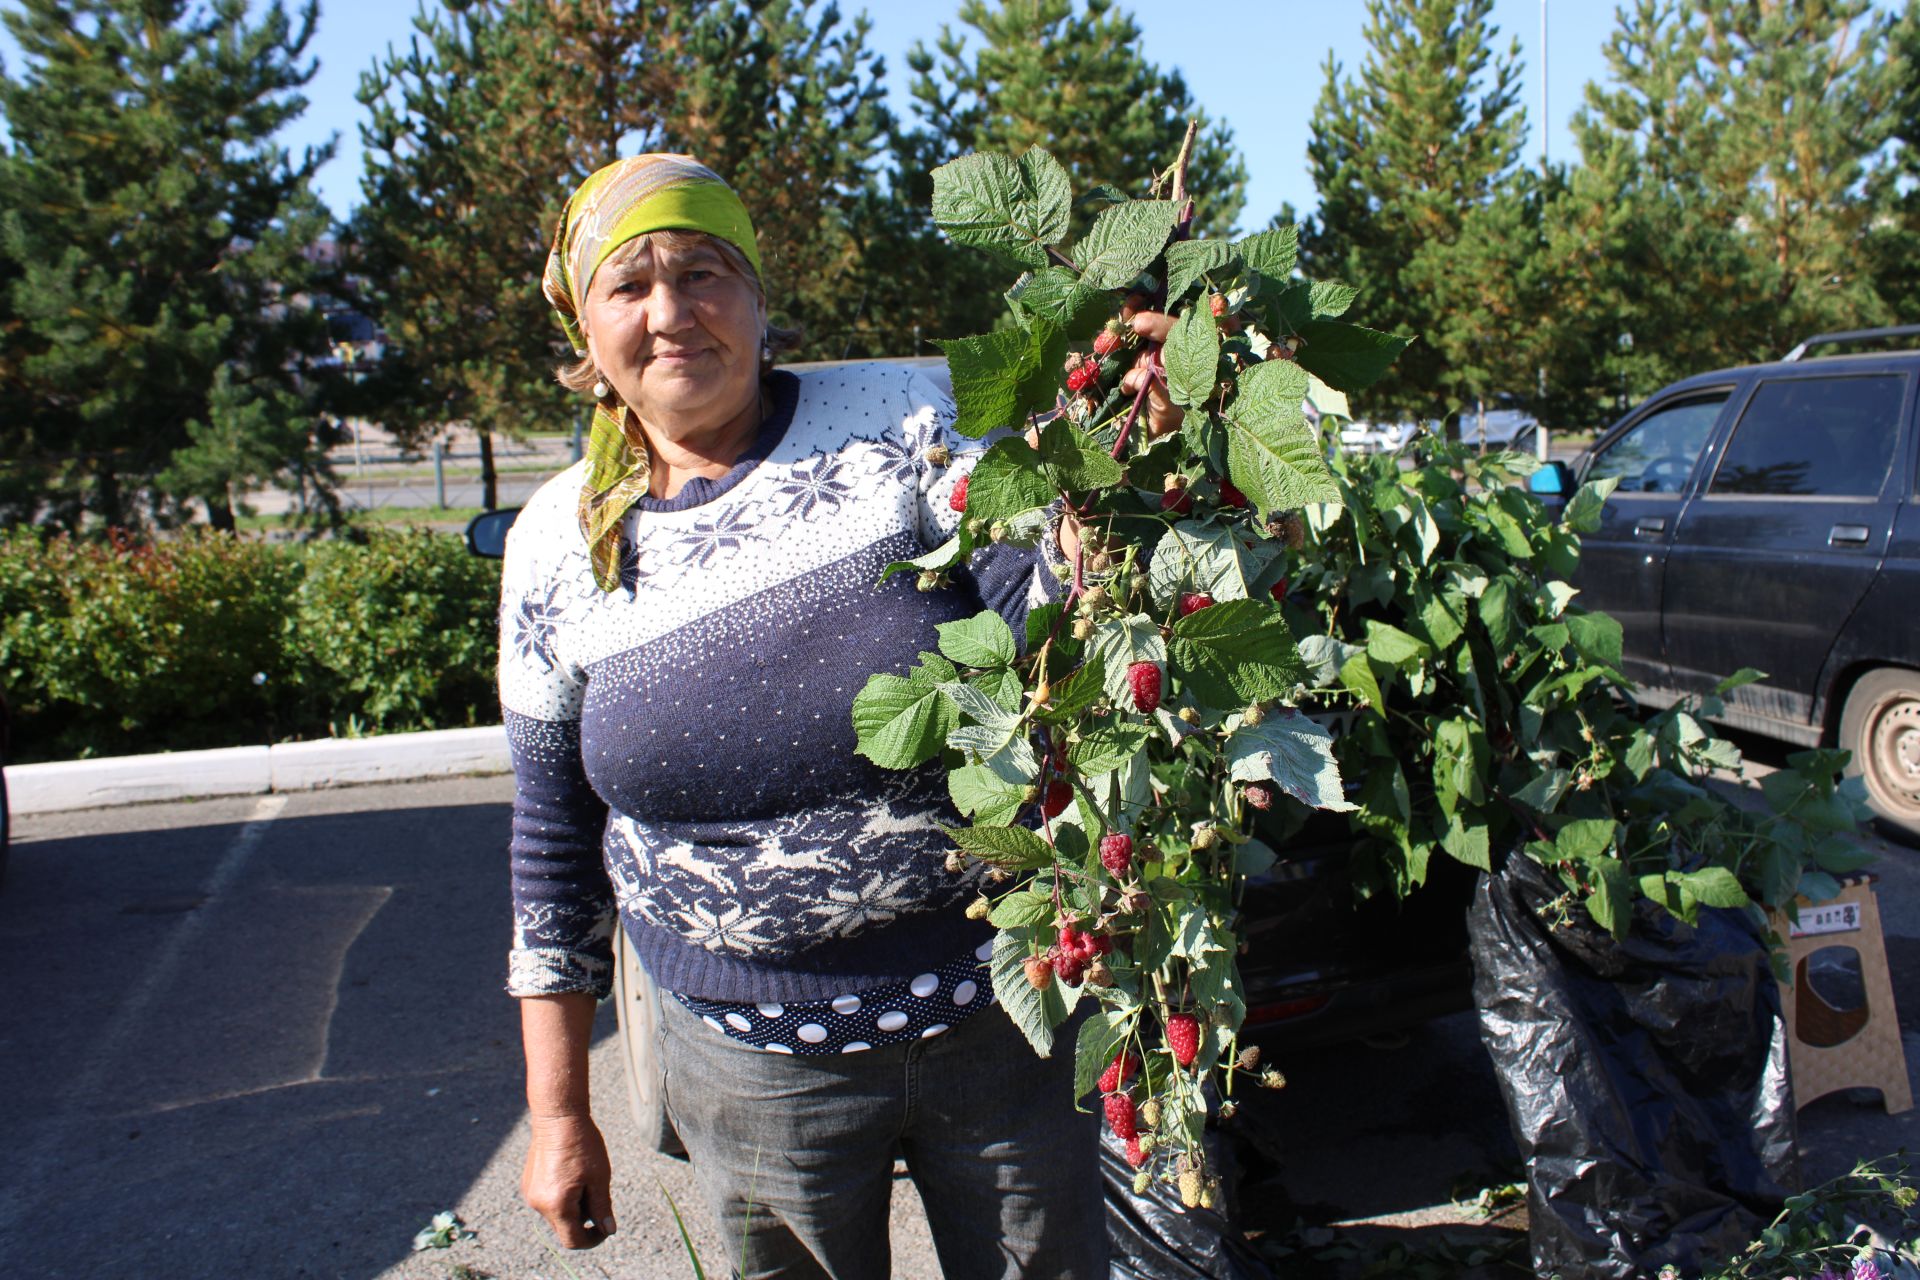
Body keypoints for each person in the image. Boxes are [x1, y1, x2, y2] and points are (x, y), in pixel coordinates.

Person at [499, 153, 1183, 1279]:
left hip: (996, 1016)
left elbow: (1046, 626)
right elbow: (551, 848)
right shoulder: (553, 548)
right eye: (629, 285)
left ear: (761, 297)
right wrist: (559, 1112)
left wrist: (1120, 461)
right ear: (584, 327)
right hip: (752, 1067)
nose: (671, 312)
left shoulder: (902, 417)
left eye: (704, 271)